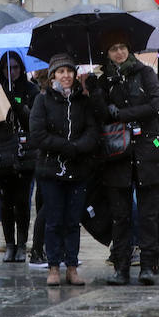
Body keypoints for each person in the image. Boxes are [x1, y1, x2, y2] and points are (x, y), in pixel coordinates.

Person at [96, 32, 159, 286]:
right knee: (121, 216)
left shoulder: (145, 73)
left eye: (122, 47)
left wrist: (123, 113)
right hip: (118, 155)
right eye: (113, 48)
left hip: (147, 152)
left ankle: (149, 264)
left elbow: (153, 104)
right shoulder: (104, 80)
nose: (118, 52)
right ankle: (121, 266)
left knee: (149, 214)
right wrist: (94, 91)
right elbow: (100, 113)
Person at [29, 53, 99, 287]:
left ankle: (72, 265)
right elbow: (38, 134)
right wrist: (64, 146)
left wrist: (78, 148)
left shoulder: (82, 100)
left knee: (72, 220)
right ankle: (53, 266)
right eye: (61, 72)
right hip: (51, 170)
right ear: (52, 77)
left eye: (69, 71)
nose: (66, 75)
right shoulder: (42, 100)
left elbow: (92, 131)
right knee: (54, 219)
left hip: (78, 170)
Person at [0, 51, 39, 262]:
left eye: (15, 67)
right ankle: (9, 244)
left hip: (24, 152)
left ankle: (21, 244)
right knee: (4, 200)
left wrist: (16, 104)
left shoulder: (30, 89)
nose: (12, 72)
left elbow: (33, 121)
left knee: (22, 201)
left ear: (21, 68)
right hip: (2, 151)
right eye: (7, 68)